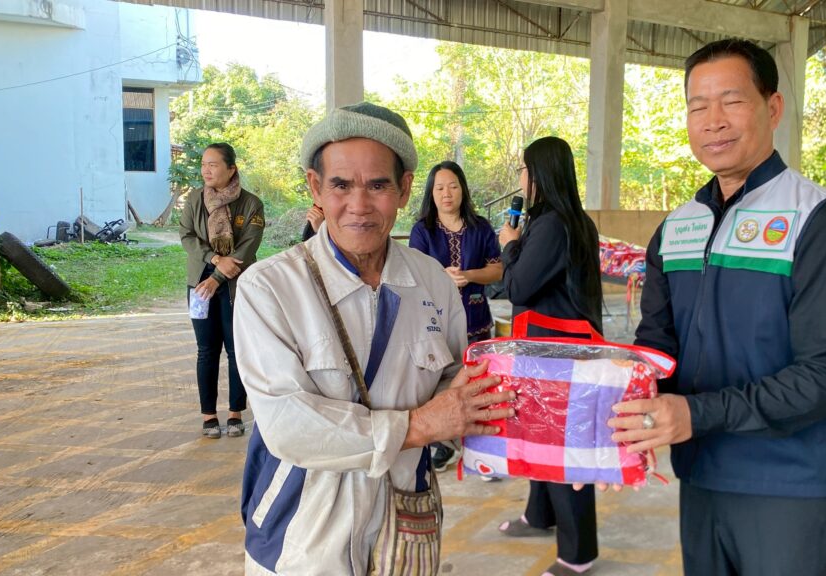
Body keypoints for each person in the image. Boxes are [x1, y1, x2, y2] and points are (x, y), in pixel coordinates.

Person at [608, 39, 826, 575]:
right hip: (702, 475)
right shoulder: (677, 229)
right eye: (697, 106)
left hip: (790, 487)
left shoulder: (819, 222)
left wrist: (696, 414)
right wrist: (599, 430)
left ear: (772, 108)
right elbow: (656, 348)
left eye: (731, 101)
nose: (713, 121)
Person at [233, 102, 515, 574]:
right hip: (302, 536)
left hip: (406, 523)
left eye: (379, 185)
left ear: (404, 189)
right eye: (341, 185)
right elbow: (288, 424)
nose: (359, 205)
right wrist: (419, 426)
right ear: (315, 187)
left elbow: (456, 385)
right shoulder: (269, 289)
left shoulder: (433, 281)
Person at [496, 136, 603, 576]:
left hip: (555, 354)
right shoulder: (570, 221)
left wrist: (509, 244)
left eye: (524, 169)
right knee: (541, 435)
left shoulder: (552, 225)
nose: (521, 177)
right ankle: (540, 514)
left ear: (539, 174)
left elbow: (518, 286)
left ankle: (578, 554)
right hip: (555, 350)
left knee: (564, 447)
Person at [409, 161, 503, 473]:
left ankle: (483, 445)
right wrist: (441, 277)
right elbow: (413, 272)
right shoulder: (423, 230)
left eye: (452, 186)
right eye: (439, 188)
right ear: (431, 193)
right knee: (437, 380)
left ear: (462, 190)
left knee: (479, 381)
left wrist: (469, 275)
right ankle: (442, 443)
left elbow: (497, 269)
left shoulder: (480, 227)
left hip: (476, 317)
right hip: (433, 322)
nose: (446, 193)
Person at [179, 142, 265, 439]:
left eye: (213, 164)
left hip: (236, 284)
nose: (206, 170)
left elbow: (248, 246)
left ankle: (235, 413)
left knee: (236, 349)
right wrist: (214, 259)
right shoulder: (195, 199)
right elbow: (186, 235)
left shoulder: (251, 204)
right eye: (203, 164)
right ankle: (209, 416)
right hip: (199, 283)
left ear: (231, 169)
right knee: (206, 350)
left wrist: (218, 276)